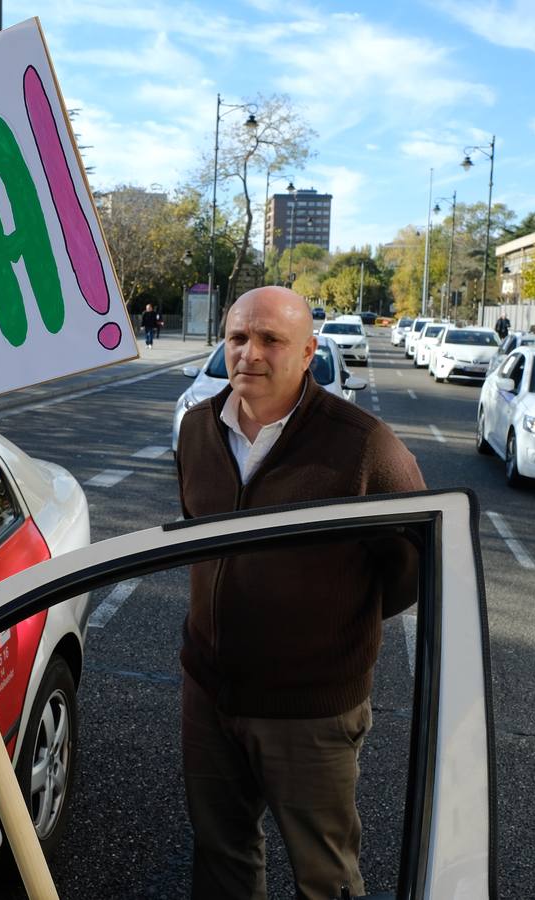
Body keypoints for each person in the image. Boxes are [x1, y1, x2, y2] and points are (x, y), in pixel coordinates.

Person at [175, 286, 426, 900]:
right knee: (221, 855)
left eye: (271, 340)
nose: (249, 353)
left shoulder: (364, 447)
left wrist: (321, 626)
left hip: (310, 707)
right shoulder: (197, 431)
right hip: (210, 691)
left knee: (326, 876)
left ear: (309, 352)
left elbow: (411, 567)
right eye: (237, 338)